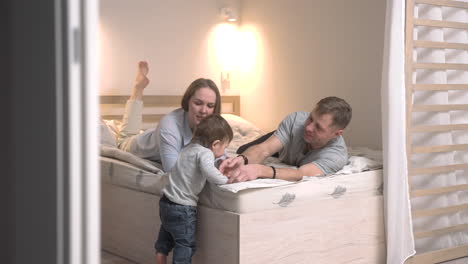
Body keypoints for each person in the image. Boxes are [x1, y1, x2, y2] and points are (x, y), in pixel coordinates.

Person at [154, 115, 233, 264]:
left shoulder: (187, 149)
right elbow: (209, 172)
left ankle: (160, 256)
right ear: (215, 144)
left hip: (166, 202)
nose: (225, 152)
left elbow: (193, 168)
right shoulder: (206, 153)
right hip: (183, 207)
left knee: (166, 236)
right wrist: (225, 180)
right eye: (225, 147)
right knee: (184, 245)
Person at [117, 61, 222, 172]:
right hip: (135, 144)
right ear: (187, 102)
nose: (204, 111)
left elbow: (218, 156)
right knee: (124, 139)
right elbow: (174, 173)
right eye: (198, 103)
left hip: (157, 135)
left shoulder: (215, 125)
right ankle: (138, 87)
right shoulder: (169, 126)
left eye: (210, 106)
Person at [221, 96, 352, 182]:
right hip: (287, 140)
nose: (309, 128)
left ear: (336, 134)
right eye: (310, 118)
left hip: (291, 153)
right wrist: (242, 159)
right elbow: (265, 149)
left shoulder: (336, 156)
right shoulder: (296, 121)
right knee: (242, 150)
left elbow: (300, 173)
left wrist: (260, 170)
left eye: (318, 127)